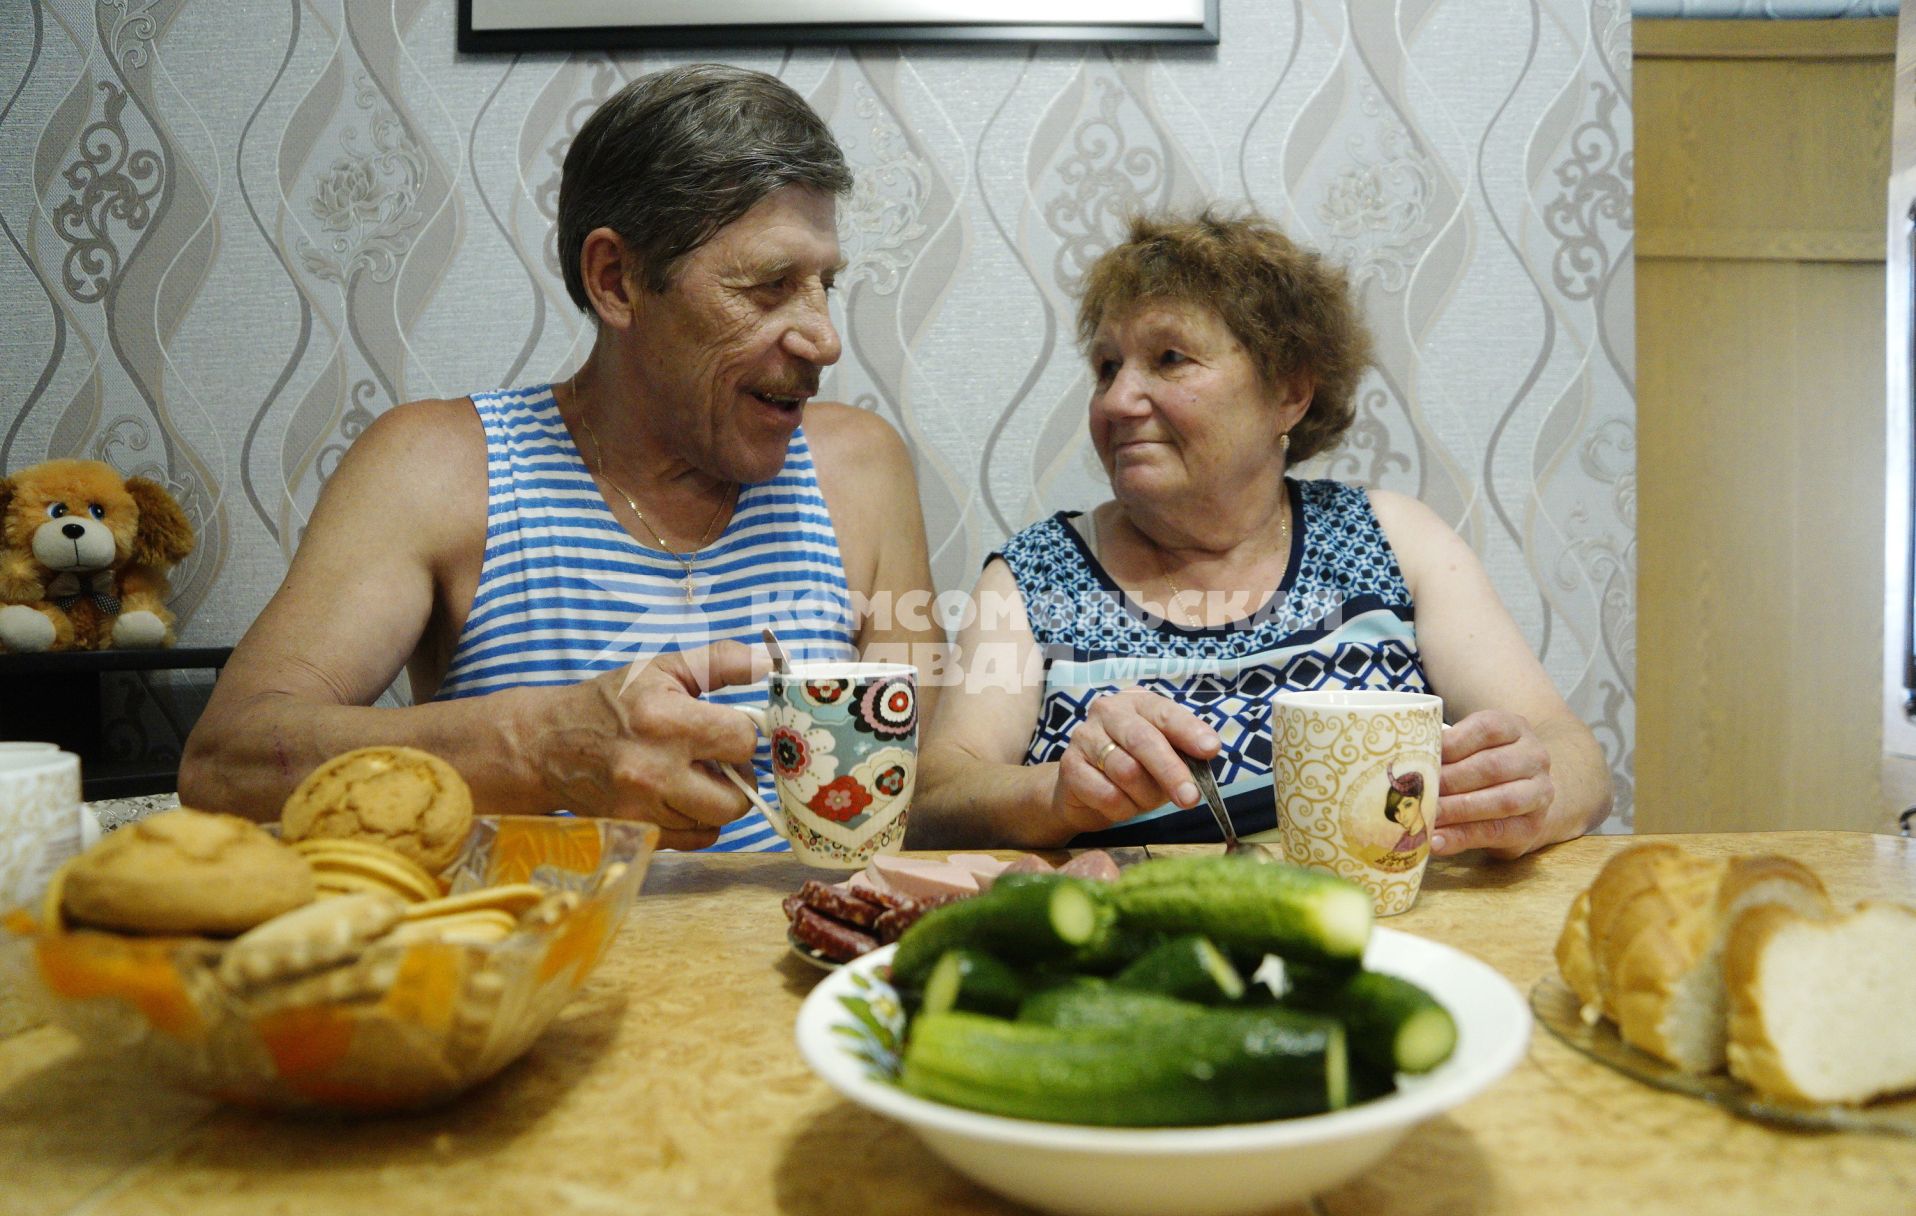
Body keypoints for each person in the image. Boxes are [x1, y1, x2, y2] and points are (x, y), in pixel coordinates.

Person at [180, 64, 939, 851]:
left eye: (825, 284)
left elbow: (915, 789)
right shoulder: (436, 468)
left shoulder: (861, 468)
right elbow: (223, 766)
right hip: (528, 963)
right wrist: (543, 746)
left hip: (809, 968)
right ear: (616, 281)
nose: (824, 338)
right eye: (770, 285)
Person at [911, 209, 1611, 857]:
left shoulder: (1393, 539)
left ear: (1289, 392)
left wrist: (1525, 793)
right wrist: (1057, 796)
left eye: (1170, 358)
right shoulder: (1036, 576)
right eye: (1106, 368)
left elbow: (1575, 760)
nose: (1119, 400)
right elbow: (935, 801)